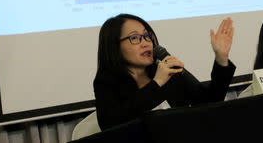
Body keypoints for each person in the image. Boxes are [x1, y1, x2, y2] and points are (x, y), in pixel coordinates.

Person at [93, 13, 236, 130]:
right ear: (115, 47)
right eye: (134, 38)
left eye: (147, 36)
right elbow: (110, 125)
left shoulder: (164, 69)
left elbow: (210, 102)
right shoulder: (106, 82)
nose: (145, 43)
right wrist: (157, 83)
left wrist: (221, 59)